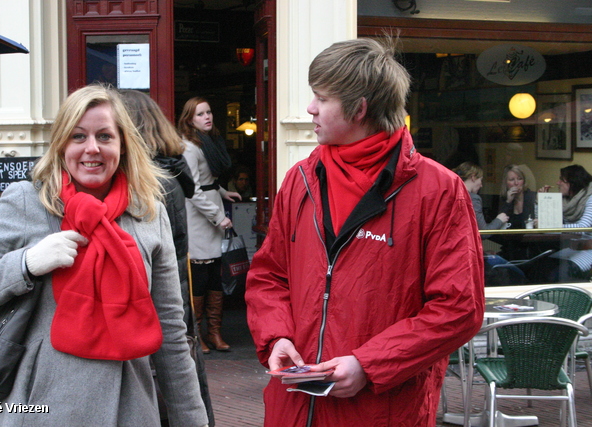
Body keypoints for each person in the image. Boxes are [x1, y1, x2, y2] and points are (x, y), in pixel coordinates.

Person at [245, 37, 484, 427]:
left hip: (381, 411)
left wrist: (369, 365)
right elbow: (269, 275)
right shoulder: (300, 180)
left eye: (322, 99)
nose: (310, 108)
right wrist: (276, 338)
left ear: (359, 109)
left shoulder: (437, 189)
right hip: (295, 407)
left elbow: (459, 308)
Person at [0, 84, 208, 427]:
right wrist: (26, 264)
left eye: (105, 136)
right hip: (36, 410)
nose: (92, 148)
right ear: (61, 144)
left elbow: (172, 334)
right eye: (78, 136)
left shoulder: (148, 213)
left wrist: (192, 420)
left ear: (123, 144)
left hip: (128, 409)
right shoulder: (25, 201)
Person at [120, 89, 214, 426]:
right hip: (178, 296)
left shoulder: (152, 182)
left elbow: (163, 253)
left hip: (163, 301)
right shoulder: (173, 174)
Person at [178, 96, 241, 353]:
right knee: (201, 278)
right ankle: (196, 334)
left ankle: (214, 332)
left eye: (209, 112)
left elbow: (208, 181)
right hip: (199, 218)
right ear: (190, 120)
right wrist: (218, 216)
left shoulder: (208, 142)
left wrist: (224, 192)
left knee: (216, 276)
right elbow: (192, 189)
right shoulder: (189, 147)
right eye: (201, 114)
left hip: (213, 210)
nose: (207, 117)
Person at [538, 164, 592, 280]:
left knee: (557, 275)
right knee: (538, 268)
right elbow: (548, 226)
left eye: (561, 180)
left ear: (572, 183)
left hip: (588, 251)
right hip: (570, 249)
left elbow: (582, 227)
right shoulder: (565, 201)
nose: (558, 183)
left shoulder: (590, 198)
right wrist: (543, 201)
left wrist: (550, 226)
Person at [453, 161, 509, 231]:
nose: (481, 185)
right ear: (473, 177)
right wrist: (499, 220)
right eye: (480, 180)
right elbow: (483, 231)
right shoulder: (473, 198)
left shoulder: (452, 194)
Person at [499, 164, 536, 230]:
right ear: (506, 183)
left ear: (523, 181)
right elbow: (500, 224)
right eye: (511, 180)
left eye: (519, 179)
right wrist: (508, 202)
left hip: (529, 238)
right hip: (509, 238)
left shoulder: (532, 197)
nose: (516, 183)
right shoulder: (504, 200)